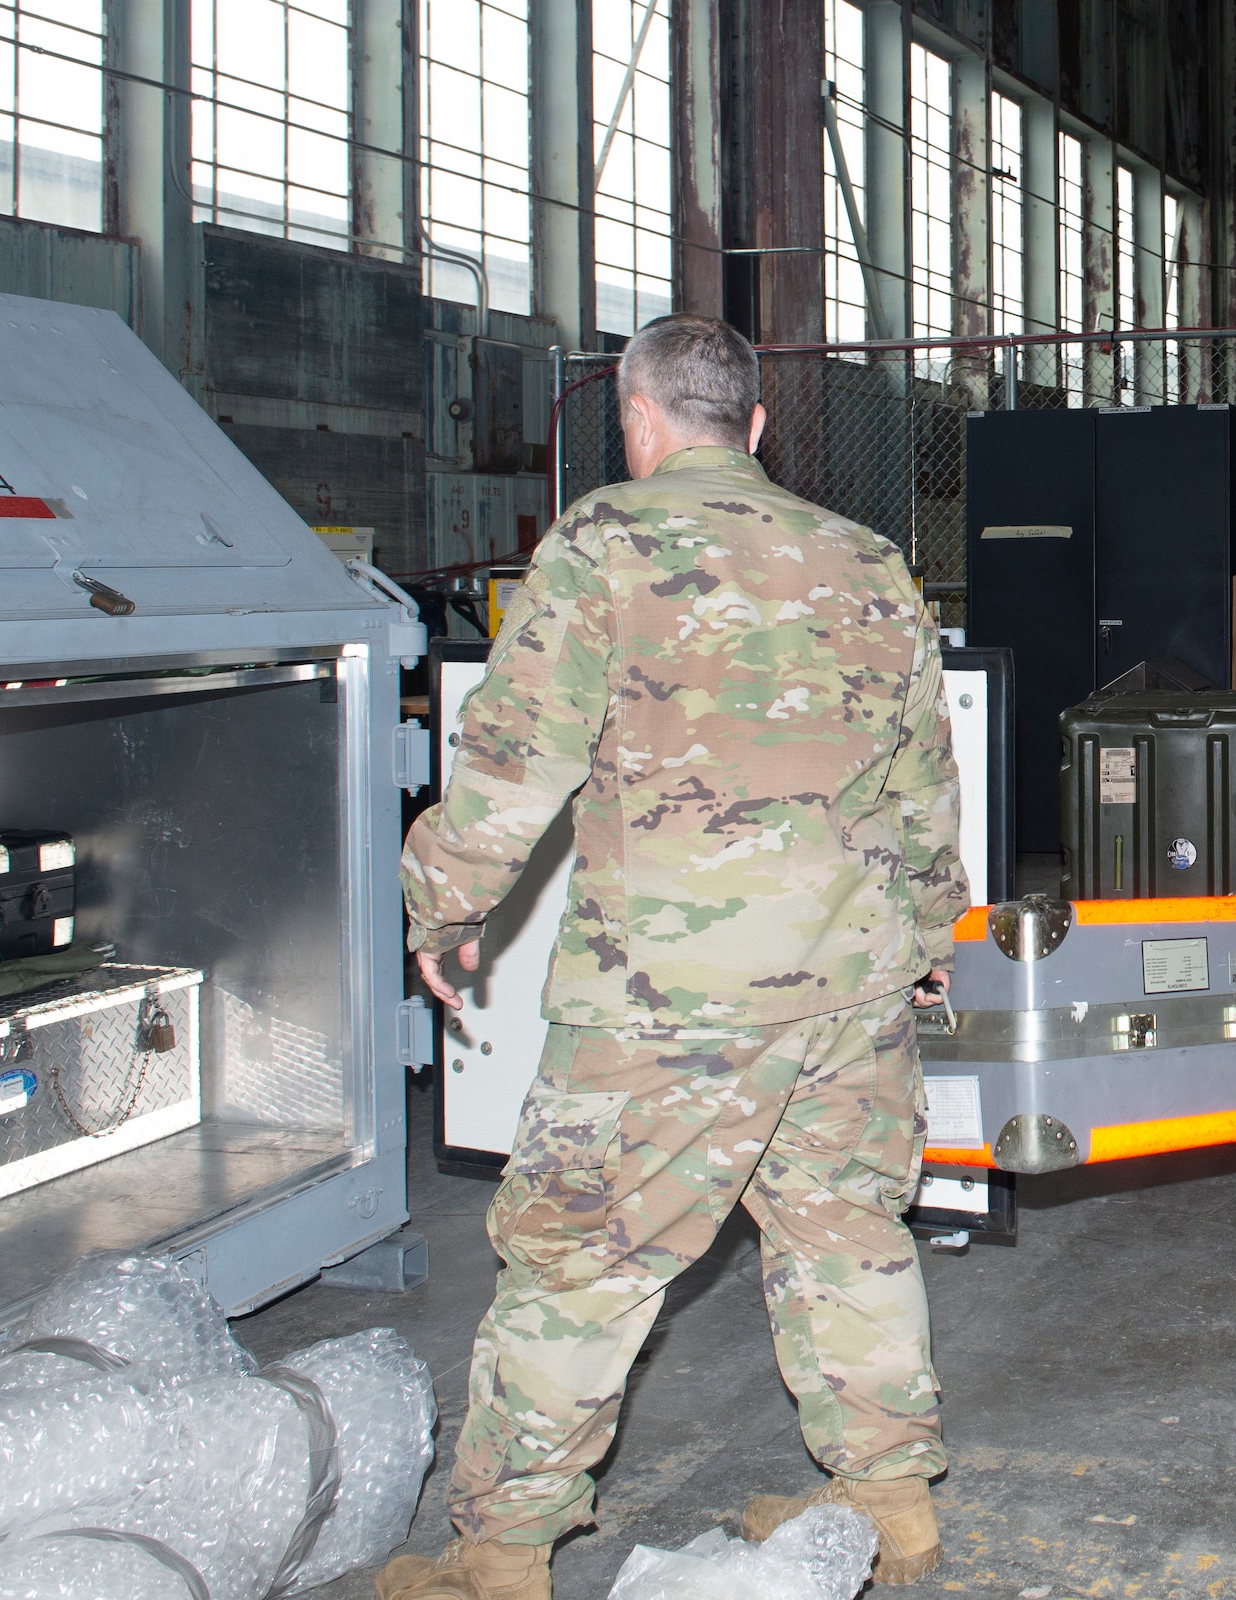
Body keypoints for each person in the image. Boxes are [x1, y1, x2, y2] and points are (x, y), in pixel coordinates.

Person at [381, 314, 968, 1600]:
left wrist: (444, 905)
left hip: (668, 1003)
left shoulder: (605, 541)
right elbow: (923, 781)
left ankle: (500, 1556)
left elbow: (511, 755)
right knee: (846, 1237)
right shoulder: (869, 560)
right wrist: (929, 933)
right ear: (753, 427)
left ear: (638, 423)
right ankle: (893, 1511)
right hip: (849, 985)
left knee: (579, 1263)